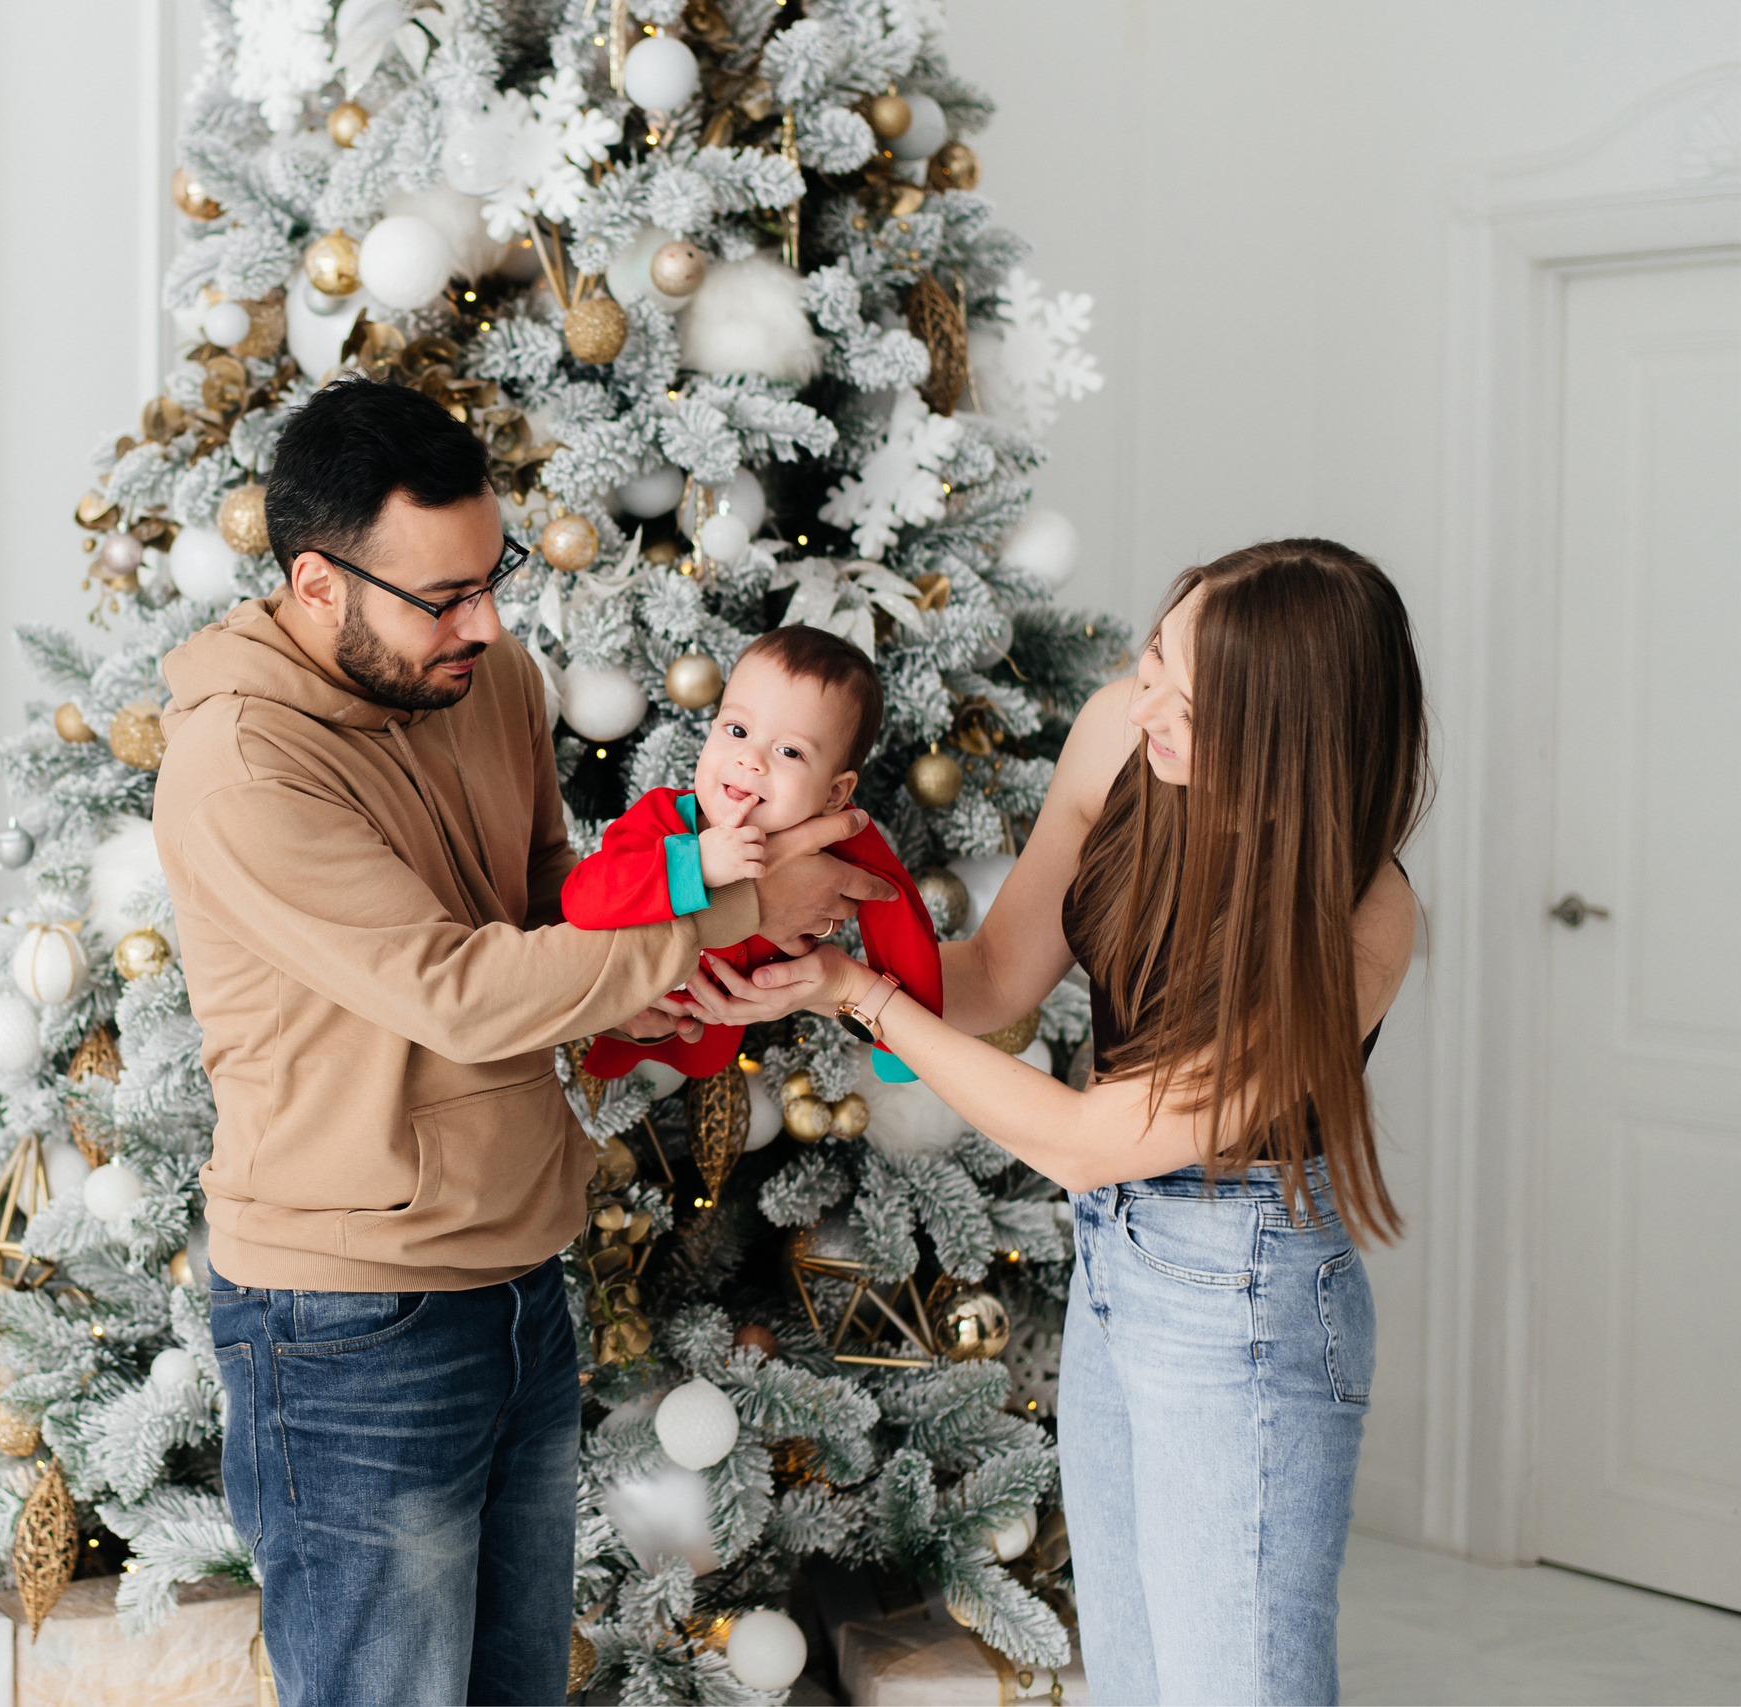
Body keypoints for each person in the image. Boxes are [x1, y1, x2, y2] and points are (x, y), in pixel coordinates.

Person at [149, 376, 891, 1707]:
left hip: (517, 1276)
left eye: (491, 578)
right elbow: (458, 988)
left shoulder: (484, 678)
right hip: (349, 1316)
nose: (487, 624)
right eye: (445, 597)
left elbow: (550, 898)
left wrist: (663, 984)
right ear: (317, 585)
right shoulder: (243, 765)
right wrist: (739, 901)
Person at [700, 540, 1427, 1705]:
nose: (1145, 705)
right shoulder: (1121, 734)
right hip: (1114, 1255)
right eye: (1152, 658)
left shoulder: (1362, 916)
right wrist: (800, 950)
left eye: (1187, 700)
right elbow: (994, 973)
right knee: (1135, 1682)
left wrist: (862, 1000)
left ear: (1283, 737)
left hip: (1245, 1287)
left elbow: (1090, 1137)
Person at [560, 624, 945, 1084]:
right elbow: (581, 899)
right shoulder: (664, 816)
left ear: (834, 793)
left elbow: (899, 913)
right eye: (737, 729)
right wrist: (696, 864)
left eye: (789, 751)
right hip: (618, 998)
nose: (751, 760)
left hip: (720, 1028)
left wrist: (899, 1040)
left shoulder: (840, 835)